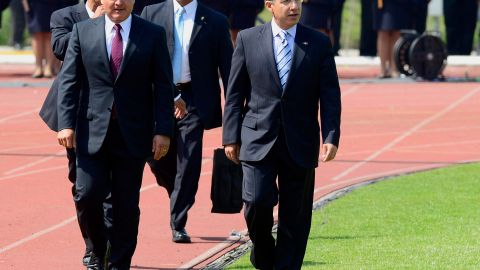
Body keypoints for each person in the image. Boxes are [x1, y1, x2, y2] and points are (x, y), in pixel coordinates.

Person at [223, 0, 341, 269]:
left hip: (300, 141)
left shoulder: (319, 43)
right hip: (257, 138)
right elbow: (235, 94)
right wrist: (230, 136)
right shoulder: (247, 39)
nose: (293, 6)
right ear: (269, 5)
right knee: (255, 202)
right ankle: (263, 253)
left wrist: (331, 135)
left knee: (295, 216)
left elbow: (330, 95)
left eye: (297, 0)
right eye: (285, 1)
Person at [56, 0, 174, 268]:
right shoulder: (82, 31)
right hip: (90, 131)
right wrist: (66, 124)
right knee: (87, 194)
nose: (118, 2)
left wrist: (163, 131)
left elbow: (163, 86)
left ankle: (120, 263)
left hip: (133, 133)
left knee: (125, 205)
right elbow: (69, 81)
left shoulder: (153, 33)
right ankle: (98, 249)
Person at [141, 0, 233, 244]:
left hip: (195, 100)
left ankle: (178, 221)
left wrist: (237, 112)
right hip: (159, 95)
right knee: (157, 158)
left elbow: (229, 70)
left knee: (189, 159)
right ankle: (177, 193)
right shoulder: (151, 12)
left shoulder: (215, 20)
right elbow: (140, 57)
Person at [39, 0, 109, 267]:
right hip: (77, 114)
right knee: (84, 188)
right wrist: (95, 24)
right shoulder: (65, 15)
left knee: (114, 189)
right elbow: (60, 49)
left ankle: (107, 246)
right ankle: (94, 245)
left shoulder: (121, 13)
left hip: (115, 112)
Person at [22, 0, 78, 78]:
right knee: (36, 33)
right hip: (34, 4)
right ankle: (38, 67)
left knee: (50, 33)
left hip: (53, 3)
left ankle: (49, 66)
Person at [373, 0, 413, 78]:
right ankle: (383, 69)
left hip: (398, 3)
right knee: (382, 31)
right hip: (381, 3)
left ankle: (394, 68)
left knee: (396, 30)